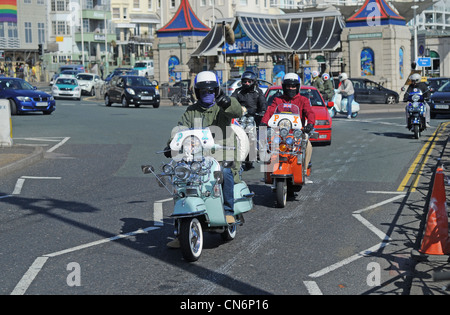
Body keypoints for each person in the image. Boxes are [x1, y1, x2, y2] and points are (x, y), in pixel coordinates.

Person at [164, 71, 243, 248]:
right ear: (197, 92)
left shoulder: (222, 108)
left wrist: (228, 102)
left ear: (216, 91)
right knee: (180, 180)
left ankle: (228, 212)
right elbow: (180, 129)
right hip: (196, 159)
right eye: (203, 91)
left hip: (222, 156)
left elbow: (238, 111)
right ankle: (181, 229)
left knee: (225, 172)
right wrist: (171, 145)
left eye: (211, 91)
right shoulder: (191, 112)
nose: (207, 94)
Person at [260, 73, 315, 182]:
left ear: (297, 87)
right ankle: (268, 172)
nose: (291, 88)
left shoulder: (303, 100)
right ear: (284, 87)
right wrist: (263, 122)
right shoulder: (278, 100)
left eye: (293, 86)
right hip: (279, 132)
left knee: (308, 145)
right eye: (288, 86)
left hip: (296, 132)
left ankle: (303, 171)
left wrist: (310, 124)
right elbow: (270, 110)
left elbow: (310, 112)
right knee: (266, 146)